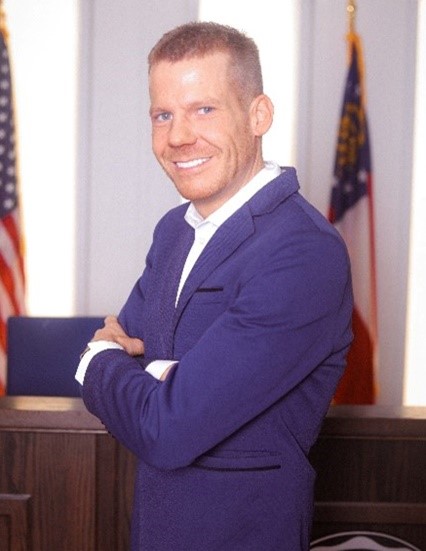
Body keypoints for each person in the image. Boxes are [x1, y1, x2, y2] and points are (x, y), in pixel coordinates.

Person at [75, 21, 353, 551]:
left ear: (258, 115)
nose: (179, 136)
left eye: (204, 109)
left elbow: (166, 427)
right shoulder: (173, 231)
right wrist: (161, 380)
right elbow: (141, 363)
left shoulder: (302, 251)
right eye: (163, 115)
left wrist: (97, 362)